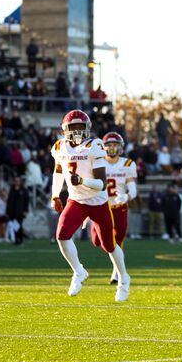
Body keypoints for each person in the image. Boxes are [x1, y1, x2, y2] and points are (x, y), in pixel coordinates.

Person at [51, 110, 130, 301]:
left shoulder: (94, 145)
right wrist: (55, 195)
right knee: (62, 235)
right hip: (76, 200)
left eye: (81, 127)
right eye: (73, 127)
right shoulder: (60, 146)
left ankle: (123, 279)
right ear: (65, 129)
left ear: (87, 129)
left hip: (98, 201)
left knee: (109, 245)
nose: (77, 131)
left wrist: (82, 181)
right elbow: (58, 171)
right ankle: (78, 271)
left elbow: (101, 184)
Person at [93, 132, 138, 284]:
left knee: (117, 241)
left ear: (121, 147)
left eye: (115, 145)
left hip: (119, 206)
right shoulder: (97, 162)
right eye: (109, 145)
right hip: (101, 206)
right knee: (97, 241)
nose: (112, 148)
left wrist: (127, 196)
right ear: (103, 147)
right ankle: (117, 270)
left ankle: (116, 273)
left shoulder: (127, 164)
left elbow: (133, 189)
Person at [6, 177, 30, 245]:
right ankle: (17, 239)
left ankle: (20, 239)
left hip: (20, 211)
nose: (17, 182)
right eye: (15, 181)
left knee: (18, 225)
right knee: (15, 226)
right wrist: (7, 211)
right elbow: (9, 201)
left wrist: (26, 210)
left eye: (18, 181)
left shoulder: (24, 190)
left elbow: (26, 201)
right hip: (12, 211)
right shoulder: (12, 189)